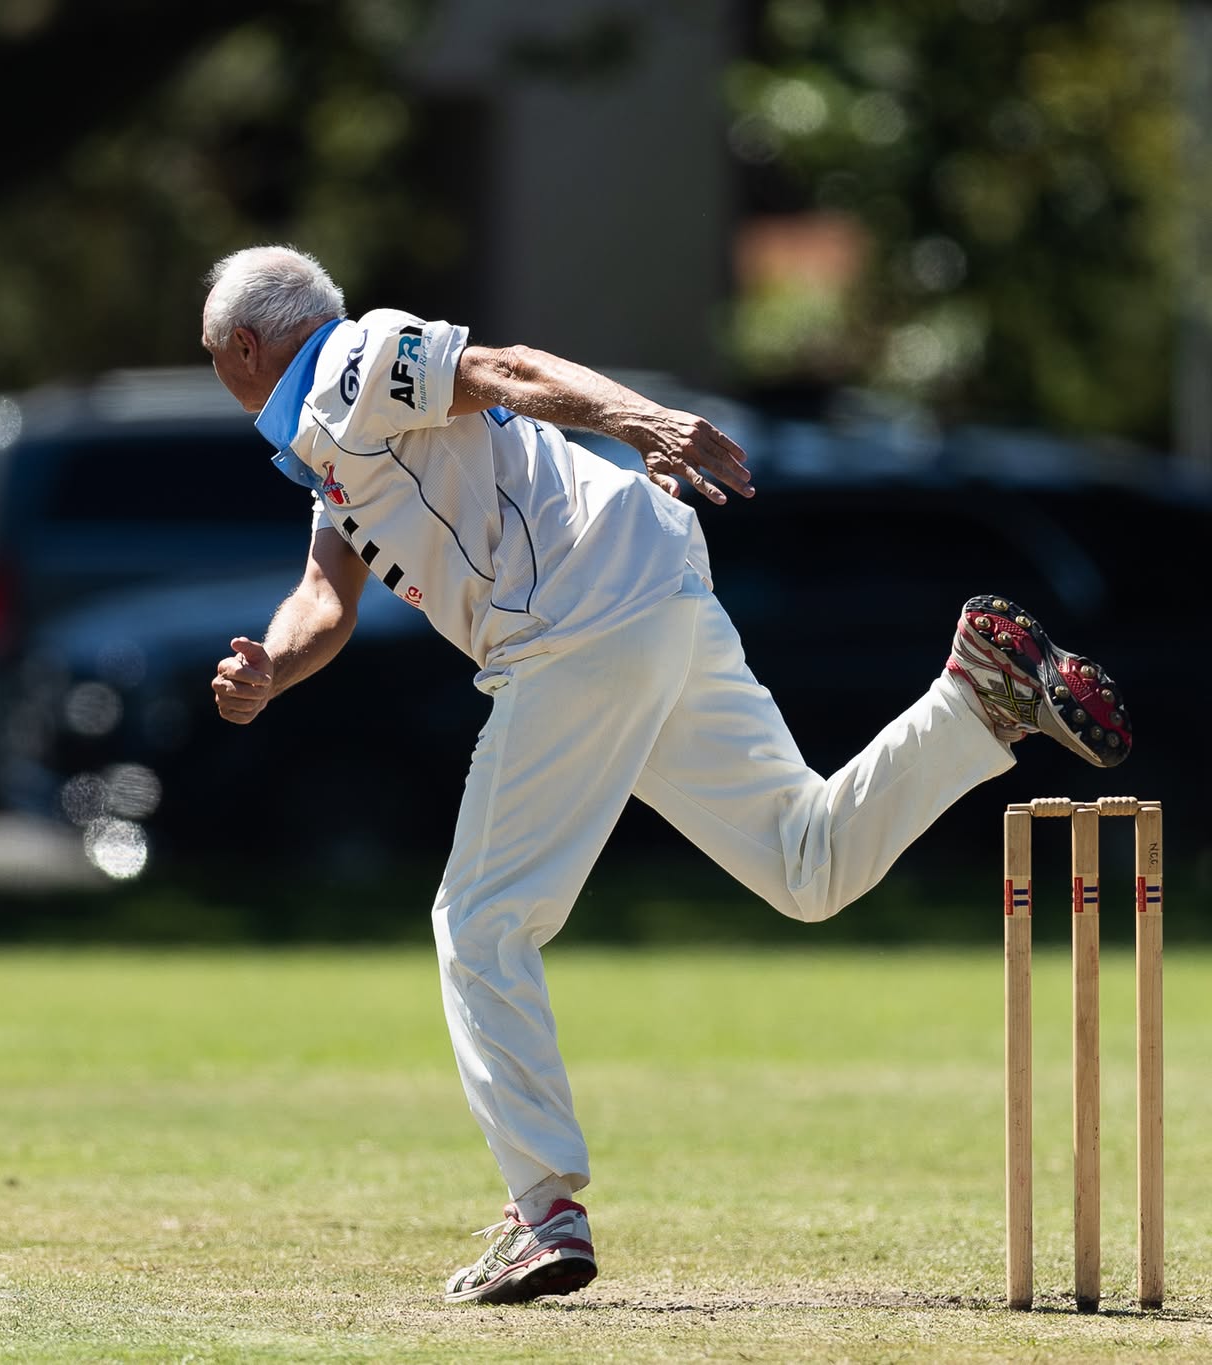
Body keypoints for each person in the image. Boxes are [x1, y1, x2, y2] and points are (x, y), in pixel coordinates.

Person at [198, 245, 1132, 1304]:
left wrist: (643, 420)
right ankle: (973, 704)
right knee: (804, 865)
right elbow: (325, 595)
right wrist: (271, 664)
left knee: (479, 921)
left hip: (576, 617)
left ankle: (540, 1210)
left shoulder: (349, 364)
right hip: (642, 589)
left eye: (209, 353)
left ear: (242, 345)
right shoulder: (337, 450)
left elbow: (501, 367)